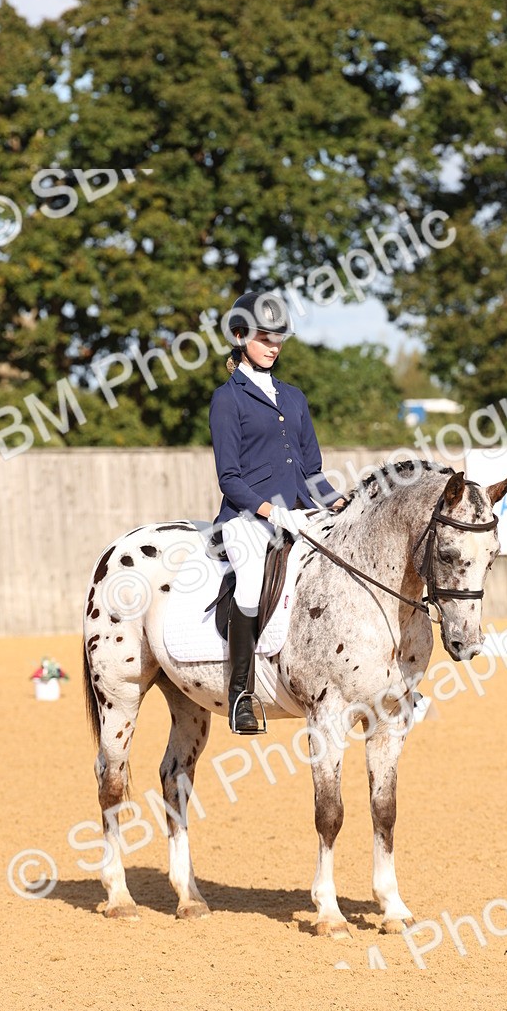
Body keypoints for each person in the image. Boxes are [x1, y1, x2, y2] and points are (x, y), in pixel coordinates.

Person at [209, 290, 347, 734]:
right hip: (246, 519)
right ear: (239, 336)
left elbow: (312, 470)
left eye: (278, 338)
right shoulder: (228, 400)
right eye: (263, 337)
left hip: (301, 515)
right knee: (250, 584)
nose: (273, 346)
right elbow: (229, 478)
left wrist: (338, 504)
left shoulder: (294, 397)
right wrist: (270, 511)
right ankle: (240, 695)